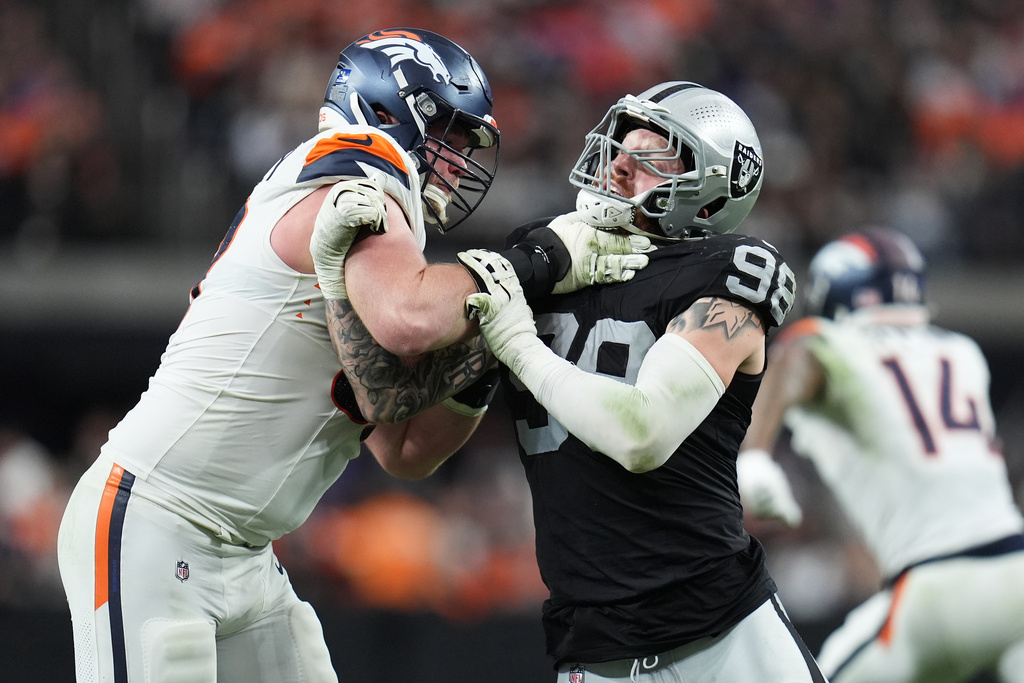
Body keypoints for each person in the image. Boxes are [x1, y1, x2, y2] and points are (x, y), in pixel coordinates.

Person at [56, 27, 648, 683]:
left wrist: (490, 348)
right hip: (157, 521)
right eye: (448, 132)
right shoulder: (362, 161)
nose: (456, 159)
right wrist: (533, 264)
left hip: (245, 554)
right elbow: (409, 320)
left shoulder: (380, 219)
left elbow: (407, 449)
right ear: (389, 109)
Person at [462, 81, 829, 682]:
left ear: (709, 196)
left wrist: (517, 345)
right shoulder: (547, 259)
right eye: (618, 145)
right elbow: (413, 446)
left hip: (724, 636)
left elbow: (642, 433)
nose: (621, 163)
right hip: (594, 646)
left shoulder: (727, 271)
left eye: (654, 155)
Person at [736, 228, 1024, 683]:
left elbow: (798, 354)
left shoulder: (834, 342)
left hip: (937, 584)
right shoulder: (962, 352)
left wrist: (754, 457)